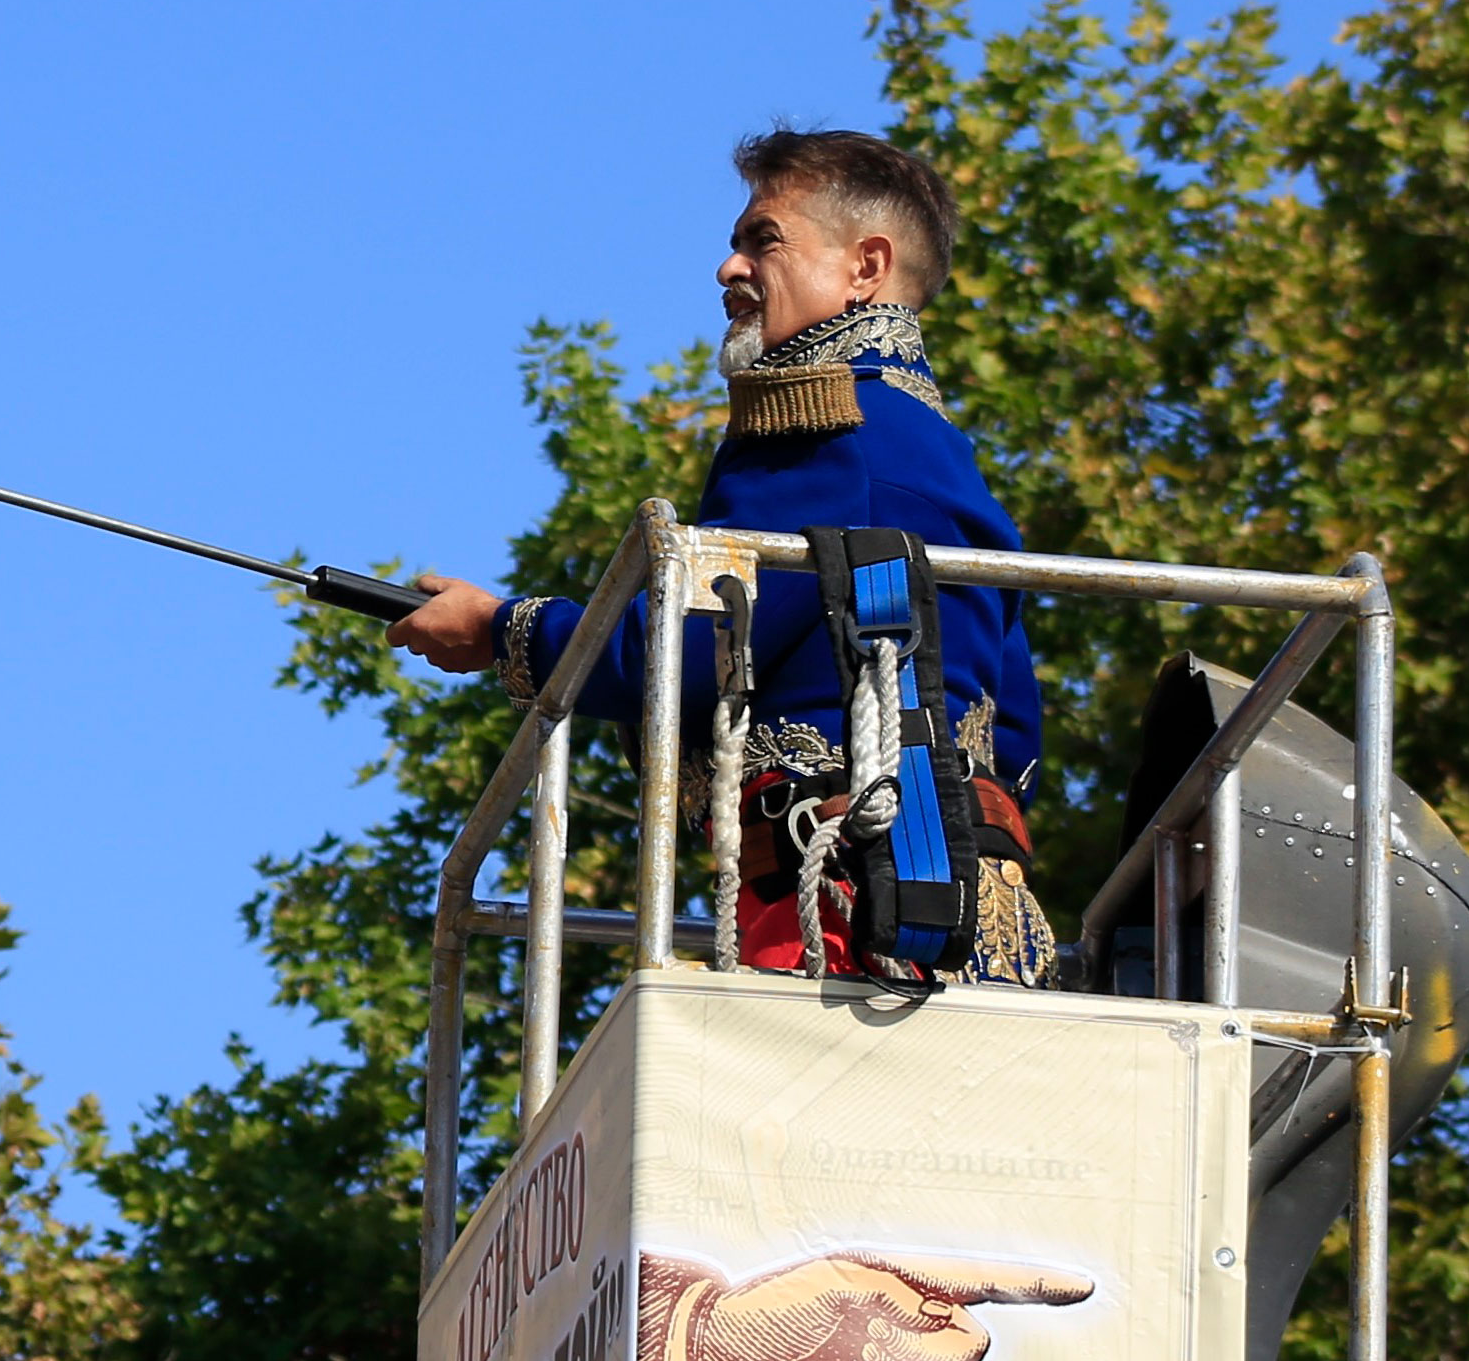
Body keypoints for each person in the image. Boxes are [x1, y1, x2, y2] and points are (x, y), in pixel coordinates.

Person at [393, 127, 1049, 982]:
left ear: (866, 267)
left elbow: (687, 652)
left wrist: (503, 629)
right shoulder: (937, 446)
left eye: (762, 239)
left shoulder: (821, 426)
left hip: (841, 920)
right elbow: (1020, 741)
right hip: (979, 925)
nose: (728, 269)